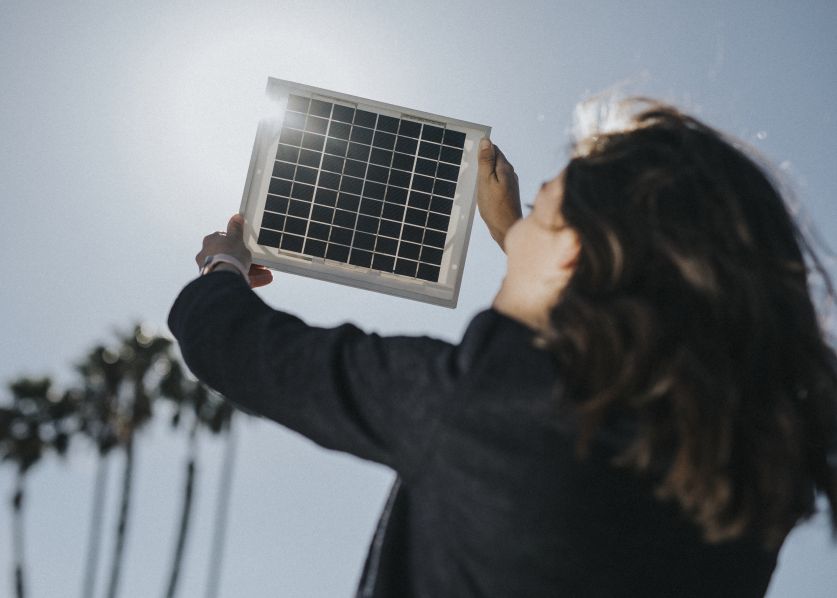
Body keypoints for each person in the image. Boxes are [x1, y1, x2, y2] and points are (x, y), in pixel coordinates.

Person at [168, 100, 837, 597]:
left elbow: (247, 350)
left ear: (572, 253)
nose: (527, 218)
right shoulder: (744, 487)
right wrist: (515, 229)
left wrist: (223, 268)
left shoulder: (482, 407)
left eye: (546, 205)